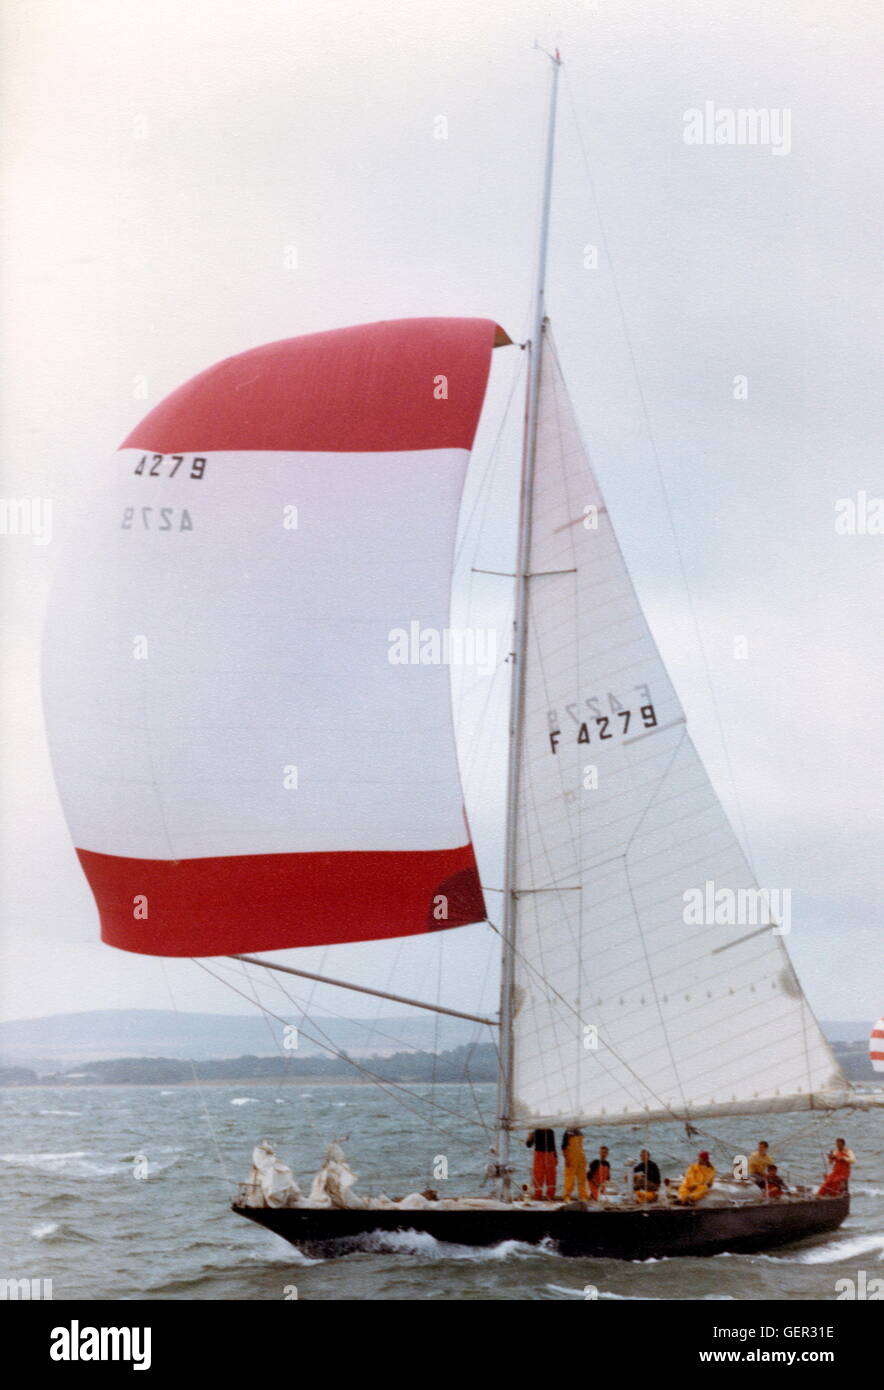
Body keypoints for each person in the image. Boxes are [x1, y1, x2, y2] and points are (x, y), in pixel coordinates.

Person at [526, 1128, 557, 1201]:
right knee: (538, 1175)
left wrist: (555, 1156)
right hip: (539, 1154)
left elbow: (553, 1145)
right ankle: (537, 1195)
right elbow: (528, 1145)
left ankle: (550, 1195)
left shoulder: (550, 1131)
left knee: (551, 1175)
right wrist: (529, 1138)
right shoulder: (536, 1131)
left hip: (550, 1154)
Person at [561, 1127, 588, 1202]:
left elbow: (581, 1146)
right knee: (570, 1178)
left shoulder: (580, 1132)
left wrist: (583, 1159)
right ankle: (567, 1196)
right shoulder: (567, 1132)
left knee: (582, 1178)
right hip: (571, 1157)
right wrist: (566, 1159)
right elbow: (563, 1147)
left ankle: (583, 1196)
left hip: (580, 1157)